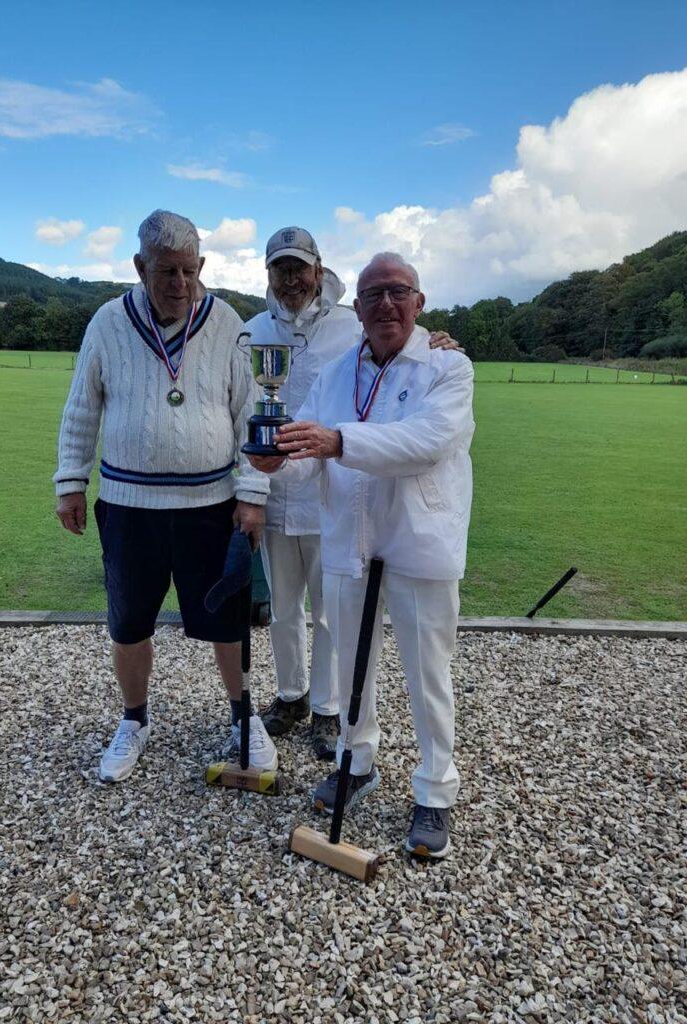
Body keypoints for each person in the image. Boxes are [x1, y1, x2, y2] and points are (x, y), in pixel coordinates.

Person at [248, 252, 474, 859]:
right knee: (350, 665)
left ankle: (434, 789)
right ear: (356, 306)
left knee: (427, 675)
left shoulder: (447, 366)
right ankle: (357, 759)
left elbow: (425, 443)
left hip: (419, 542)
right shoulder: (337, 372)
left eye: (398, 292)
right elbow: (307, 441)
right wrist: (280, 458)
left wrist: (337, 440)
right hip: (349, 537)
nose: (385, 305)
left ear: (419, 302)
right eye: (372, 295)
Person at [54, 209, 277, 783]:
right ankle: (134, 720)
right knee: (129, 623)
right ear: (139, 267)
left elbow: (252, 414)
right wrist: (71, 483)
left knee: (226, 622)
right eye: (166, 272)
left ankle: (241, 715)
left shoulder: (227, 321)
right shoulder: (106, 322)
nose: (180, 285)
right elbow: (83, 407)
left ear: (202, 265)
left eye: (188, 270)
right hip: (130, 508)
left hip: (211, 507)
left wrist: (252, 494)